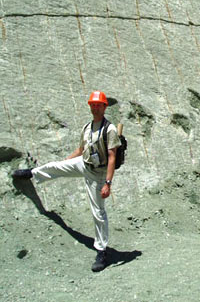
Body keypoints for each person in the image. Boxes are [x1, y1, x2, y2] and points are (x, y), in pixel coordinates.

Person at [13, 89, 124, 273]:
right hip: (84, 163)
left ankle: (102, 251)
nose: (95, 108)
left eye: (99, 105)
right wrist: (65, 163)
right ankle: (32, 173)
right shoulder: (87, 127)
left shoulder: (109, 129)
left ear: (104, 107)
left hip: (98, 174)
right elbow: (81, 150)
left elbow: (112, 157)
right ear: (90, 107)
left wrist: (108, 183)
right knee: (55, 166)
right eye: (93, 105)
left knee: (98, 212)